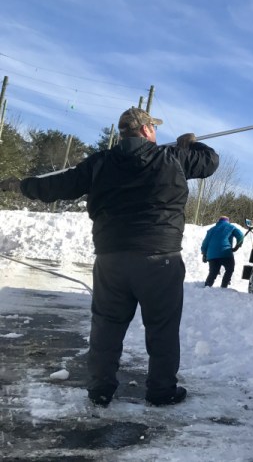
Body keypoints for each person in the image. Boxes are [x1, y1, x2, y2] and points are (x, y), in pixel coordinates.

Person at [0, 107, 219, 408]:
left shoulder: (99, 163)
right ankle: (161, 391)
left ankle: (100, 390)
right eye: (153, 128)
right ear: (145, 131)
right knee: (162, 327)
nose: (156, 132)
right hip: (160, 260)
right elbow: (210, 162)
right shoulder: (174, 159)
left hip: (111, 260)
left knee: (107, 326)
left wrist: (21, 185)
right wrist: (191, 146)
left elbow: (56, 186)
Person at [200, 216, 245, 288]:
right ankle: (224, 286)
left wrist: (204, 254)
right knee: (229, 269)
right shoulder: (230, 227)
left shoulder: (211, 230)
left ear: (219, 221)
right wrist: (237, 246)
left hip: (212, 255)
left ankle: (207, 287)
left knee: (213, 273)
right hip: (225, 253)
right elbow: (240, 235)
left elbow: (205, 243)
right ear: (227, 221)